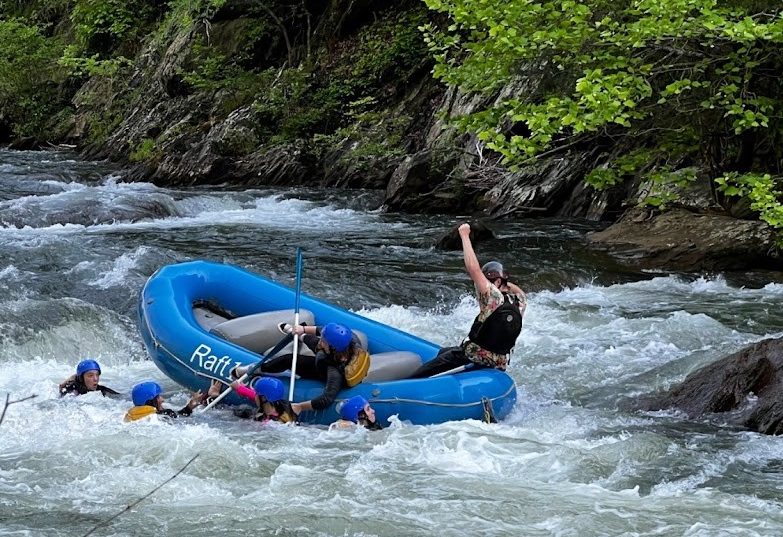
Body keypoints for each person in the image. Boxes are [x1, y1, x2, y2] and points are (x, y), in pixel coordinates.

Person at [410, 222, 527, 378]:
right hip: (499, 362)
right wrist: (502, 280)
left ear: (496, 283)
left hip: (473, 356)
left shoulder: (493, 296)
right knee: (443, 352)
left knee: (419, 375)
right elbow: (516, 289)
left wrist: (464, 235)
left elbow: (473, 268)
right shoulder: (519, 301)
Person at [232, 322, 370, 417]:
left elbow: (325, 400)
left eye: (324, 341)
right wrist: (303, 329)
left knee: (314, 346)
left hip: (324, 372)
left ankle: (297, 334)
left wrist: (300, 407)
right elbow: (321, 330)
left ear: (333, 348)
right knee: (288, 359)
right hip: (329, 359)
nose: (321, 340)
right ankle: (256, 368)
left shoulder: (335, 373)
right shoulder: (350, 338)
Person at [216, 376, 298, 424]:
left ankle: (214, 396)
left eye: (257, 393)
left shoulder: (265, 422)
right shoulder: (289, 407)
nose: (255, 395)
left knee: (239, 411)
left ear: (263, 398)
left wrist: (216, 397)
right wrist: (239, 388)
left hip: (265, 429)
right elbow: (254, 395)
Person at [124, 380, 205, 422]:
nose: (162, 400)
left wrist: (190, 406)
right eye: (158, 397)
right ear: (150, 401)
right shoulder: (163, 415)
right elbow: (181, 417)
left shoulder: (131, 416)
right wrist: (189, 407)